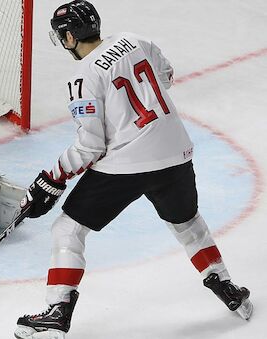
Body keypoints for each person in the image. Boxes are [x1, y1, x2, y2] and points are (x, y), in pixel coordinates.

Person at [14, 1, 253, 338]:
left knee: (67, 230)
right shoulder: (134, 39)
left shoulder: (82, 78)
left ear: (69, 37)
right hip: (176, 153)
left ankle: (57, 312)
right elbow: (167, 76)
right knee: (187, 224)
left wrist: (52, 176)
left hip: (129, 164)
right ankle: (227, 287)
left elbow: (91, 147)